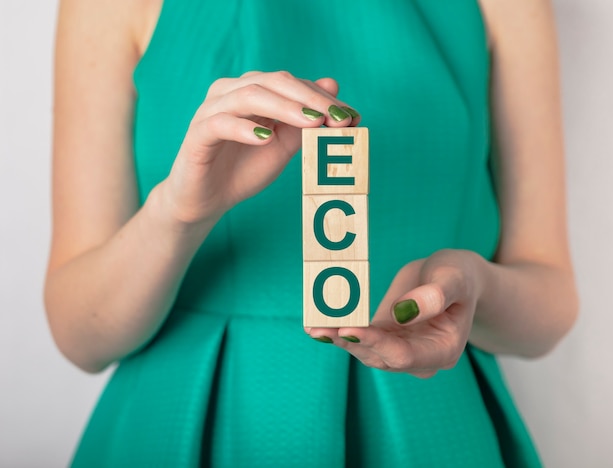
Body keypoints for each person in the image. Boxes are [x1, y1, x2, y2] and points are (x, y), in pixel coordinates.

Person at [45, 0, 578, 466]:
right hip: (178, 420)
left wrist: (474, 287)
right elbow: (80, 335)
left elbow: (550, 302)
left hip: (429, 420)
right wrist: (179, 213)